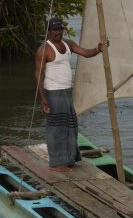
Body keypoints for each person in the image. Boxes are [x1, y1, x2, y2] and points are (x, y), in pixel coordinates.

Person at [35, 17, 106, 172]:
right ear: (49, 31)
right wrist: (43, 98)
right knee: (56, 128)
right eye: (54, 30)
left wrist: (98, 49)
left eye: (60, 29)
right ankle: (56, 163)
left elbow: (86, 53)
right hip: (53, 92)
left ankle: (69, 158)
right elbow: (39, 74)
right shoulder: (44, 49)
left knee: (71, 124)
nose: (58, 32)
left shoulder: (68, 44)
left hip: (66, 90)